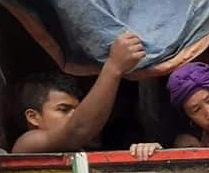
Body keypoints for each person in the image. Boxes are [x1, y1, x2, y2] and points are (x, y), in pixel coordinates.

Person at [12, 32, 147, 155]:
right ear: (33, 117)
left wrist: (148, 150)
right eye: (64, 109)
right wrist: (114, 67)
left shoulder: (79, 148)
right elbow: (78, 129)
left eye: (77, 109)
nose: (75, 115)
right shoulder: (27, 143)